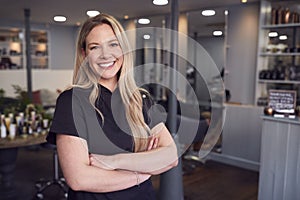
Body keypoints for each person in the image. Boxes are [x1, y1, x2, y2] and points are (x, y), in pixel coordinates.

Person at [46, 13, 178, 200]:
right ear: (84, 54)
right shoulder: (72, 101)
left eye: (113, 44)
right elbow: (79, 178)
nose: (105, 54)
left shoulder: (140, 99)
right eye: (94, 47)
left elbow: (170, 155)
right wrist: (143, 170)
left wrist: (113, 161)